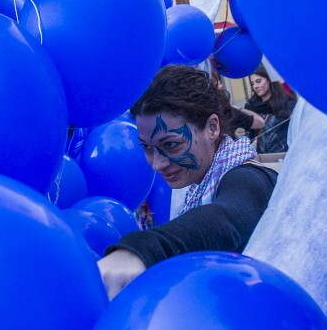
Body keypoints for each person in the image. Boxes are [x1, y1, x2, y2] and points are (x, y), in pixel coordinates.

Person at [98, 65, 278, 299]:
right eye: (147, 148)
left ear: (212, 128)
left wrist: (139, 252)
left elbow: (227, 219)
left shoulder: (247, 177)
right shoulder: (197, 185)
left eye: (171, 144)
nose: (157, 164)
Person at [245, 64, 297, 153]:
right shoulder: (250, 106)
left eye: (258, 81)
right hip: (261, 158)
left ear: (269, 79)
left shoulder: (287, 103)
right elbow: (249, 134)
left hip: (284, 155)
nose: (255, 86)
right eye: (252, 83)